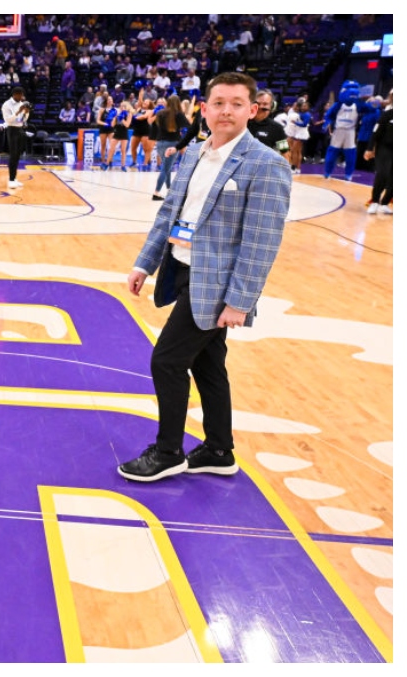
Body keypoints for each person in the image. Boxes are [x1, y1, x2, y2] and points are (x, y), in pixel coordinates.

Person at [120, 72, 292, 482]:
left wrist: (240, 300)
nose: (226, 110)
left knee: (167, 361)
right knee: (208, 366)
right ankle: (218, 448)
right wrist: (145, 263)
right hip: (181, 270)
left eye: (236, 103)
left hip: (217, 285)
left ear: (253, 110)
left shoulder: (267, 164)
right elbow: (170, 214)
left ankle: (167, 452)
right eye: (218, 102)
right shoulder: (194, 153)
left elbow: (261, 241)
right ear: (205, 107)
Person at [152, 94, 191, 199]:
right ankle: (156, 192)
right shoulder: (179, 114)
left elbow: (156, 127)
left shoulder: (160, 113)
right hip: (172, 143)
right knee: (166, 168)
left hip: (160, 142)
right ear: (178, 103)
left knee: (166, 166)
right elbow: (188, 127)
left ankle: (169, 189)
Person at [363, 90, 392, 215]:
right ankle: (374, 201)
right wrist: (370, 148)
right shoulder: (388, 114)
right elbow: (376, 132)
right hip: (384, 148)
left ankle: (385, 203)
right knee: (383, 173)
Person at [247, 89, 289, 160]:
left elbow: (285, 152)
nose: (260, 107)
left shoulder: (277, 128)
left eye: (265, 104)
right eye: (258, 103)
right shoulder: (241, 123)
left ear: (272, 106)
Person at [2, 87, 30, 189]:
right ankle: (10, 179)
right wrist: (18, 112)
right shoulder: (6, 105)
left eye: (22, 95)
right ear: (14, 94)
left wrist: (26, 113)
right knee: (13, 155)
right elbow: (8, 120)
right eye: (20, 95)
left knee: (18, 156)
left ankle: (14, 178)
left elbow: (21, 120)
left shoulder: (21, 104)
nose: (21, 97)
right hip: (11, 130)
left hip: (19, 129)